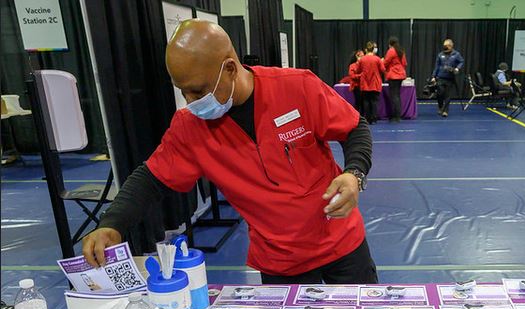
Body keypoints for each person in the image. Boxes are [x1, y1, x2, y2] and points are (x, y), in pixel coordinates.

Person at [82, 19, 378, 285]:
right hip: (282, 263)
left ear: (230, 68)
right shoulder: (190, 127)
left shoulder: (297, 87)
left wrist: (354, 174)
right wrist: (112, 224)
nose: (190, 101)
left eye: (198, 91)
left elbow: (354, 128)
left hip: (342, 244)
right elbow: (151, 178)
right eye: (182, 91)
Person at [431, 39, 464, 117]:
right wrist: (433, 76)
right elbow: (437, 66)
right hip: (440, 77)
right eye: (444, 45)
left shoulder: (456, 54)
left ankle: (446, 111)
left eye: (446, 45)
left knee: (448, 95)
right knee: (440, 93)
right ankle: (440, 106)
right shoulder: (440, 54)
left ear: (451, 46)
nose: (445, 47)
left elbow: (461, 61)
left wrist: (457, 68)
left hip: (450, 78)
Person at [357, 41, 385, 124]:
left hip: (365, 83)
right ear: (373, 49)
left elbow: (358, 70)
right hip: (375, 83)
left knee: (366, 101)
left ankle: (367, 118)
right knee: (374, 101)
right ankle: (374, 118)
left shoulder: (362, 59)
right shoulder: (377, 59)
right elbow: (383, 70)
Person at [383, 37, 407, 123]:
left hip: (393, 75)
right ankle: (398, 115)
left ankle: (395, 116)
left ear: (390, 44)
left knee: (393, 96)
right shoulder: (401, 51)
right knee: (397, 95)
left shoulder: (391, 50)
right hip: (401, 75)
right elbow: (405, 63)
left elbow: (385, 62)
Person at [347, 50, 364, 116]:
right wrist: (361, 75)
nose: (362, 57)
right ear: (356, 56)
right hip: (356, 86)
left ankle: (362, 116)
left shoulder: (364, 65)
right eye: (361, 56)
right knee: (358, 102)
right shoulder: (352, 65)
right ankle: (356, 116)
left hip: (363, 86)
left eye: (363, 56)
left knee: (363, 103)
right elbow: (352, 76)